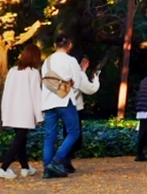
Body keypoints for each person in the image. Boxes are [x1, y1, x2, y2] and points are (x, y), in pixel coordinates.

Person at [40, 34, 96, 178]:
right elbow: (77, 83)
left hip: (47, 101)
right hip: (64, 100)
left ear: (55, 45)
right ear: (69, 45)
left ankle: (47, 168)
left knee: (50, 135)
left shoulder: (47, 61)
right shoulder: (71, 60)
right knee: (74, 132)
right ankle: (57, 161)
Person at [1, 44, 43, 178]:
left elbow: (7, 92)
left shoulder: (13, 71)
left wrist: (5, 111)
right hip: (25, 110)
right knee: (19, 139)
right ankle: (4, 167)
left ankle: (25, 167)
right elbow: (36, 95)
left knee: (21, 139)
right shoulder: (33, 73)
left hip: (12, 109)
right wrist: (39, 115)